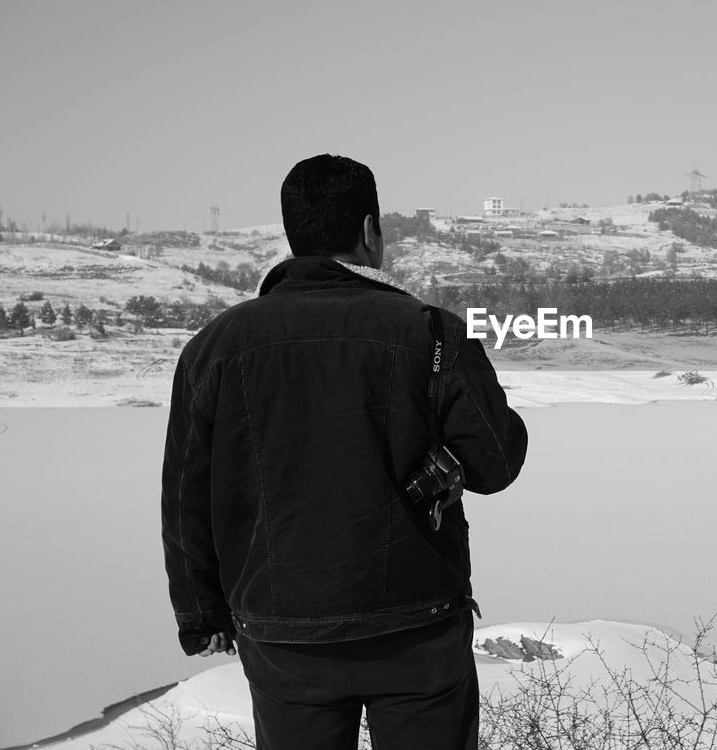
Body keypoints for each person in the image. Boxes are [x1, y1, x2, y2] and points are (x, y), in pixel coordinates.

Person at [161, 154, 527, 750]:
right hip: (418, 627)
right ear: (369, 232)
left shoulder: (214, 348)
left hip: (282, 635)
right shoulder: (432, 332)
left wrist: (201, 613)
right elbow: (496, 461)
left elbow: (185, 496)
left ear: (292, 236)